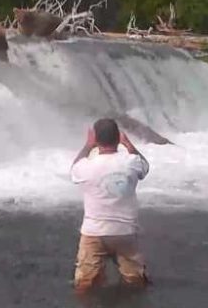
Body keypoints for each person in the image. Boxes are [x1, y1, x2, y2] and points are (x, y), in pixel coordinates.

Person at [70, 118, 150, 293]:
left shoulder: (86, 167)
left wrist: (88, 145)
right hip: (124, 231)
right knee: (136, 281)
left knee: (84, 284)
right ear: (118, 138)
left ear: (96, 140)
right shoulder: (131, 162)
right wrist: (128, 144)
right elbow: (145, 166)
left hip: (93, 232)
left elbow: (73, 169)